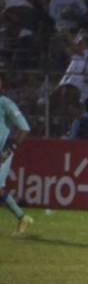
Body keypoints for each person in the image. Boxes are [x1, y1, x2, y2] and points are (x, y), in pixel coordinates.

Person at [0, 75, 32, 235]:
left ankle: (22, 217)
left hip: (2, 152)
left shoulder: (6, 103)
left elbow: (25, 129)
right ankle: (22, 217)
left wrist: (9, 149)